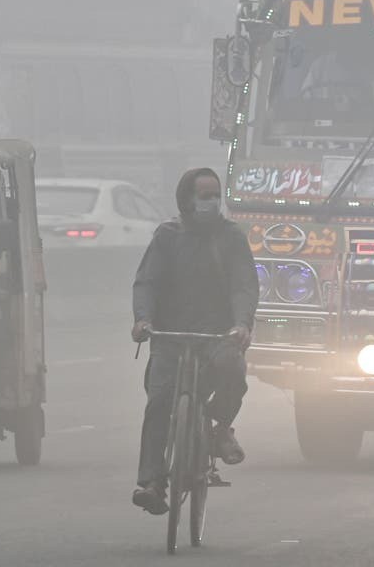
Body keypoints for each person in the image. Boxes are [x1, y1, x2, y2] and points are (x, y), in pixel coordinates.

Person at [130, 168, 259, 514]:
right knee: (158, 403)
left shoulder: (231, 237)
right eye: (204, 195)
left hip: (217, 335)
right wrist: (142, 319)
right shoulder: (167, 236)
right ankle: (152, 481)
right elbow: (147, 283)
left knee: (233, 369)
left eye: (215, 194)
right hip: (170, 336)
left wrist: (241, 324)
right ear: (186, 199)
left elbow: (243, 285)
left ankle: (219, 427)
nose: (211, 201)